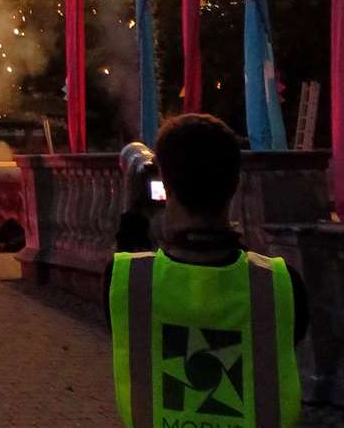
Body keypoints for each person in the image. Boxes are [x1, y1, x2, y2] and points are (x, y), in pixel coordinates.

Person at [108, 113, 304, 428]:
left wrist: (133, 213)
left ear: (165, 185)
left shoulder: (129, 286)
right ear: (235, 184)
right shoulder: (280, 287)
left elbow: (133, 255)